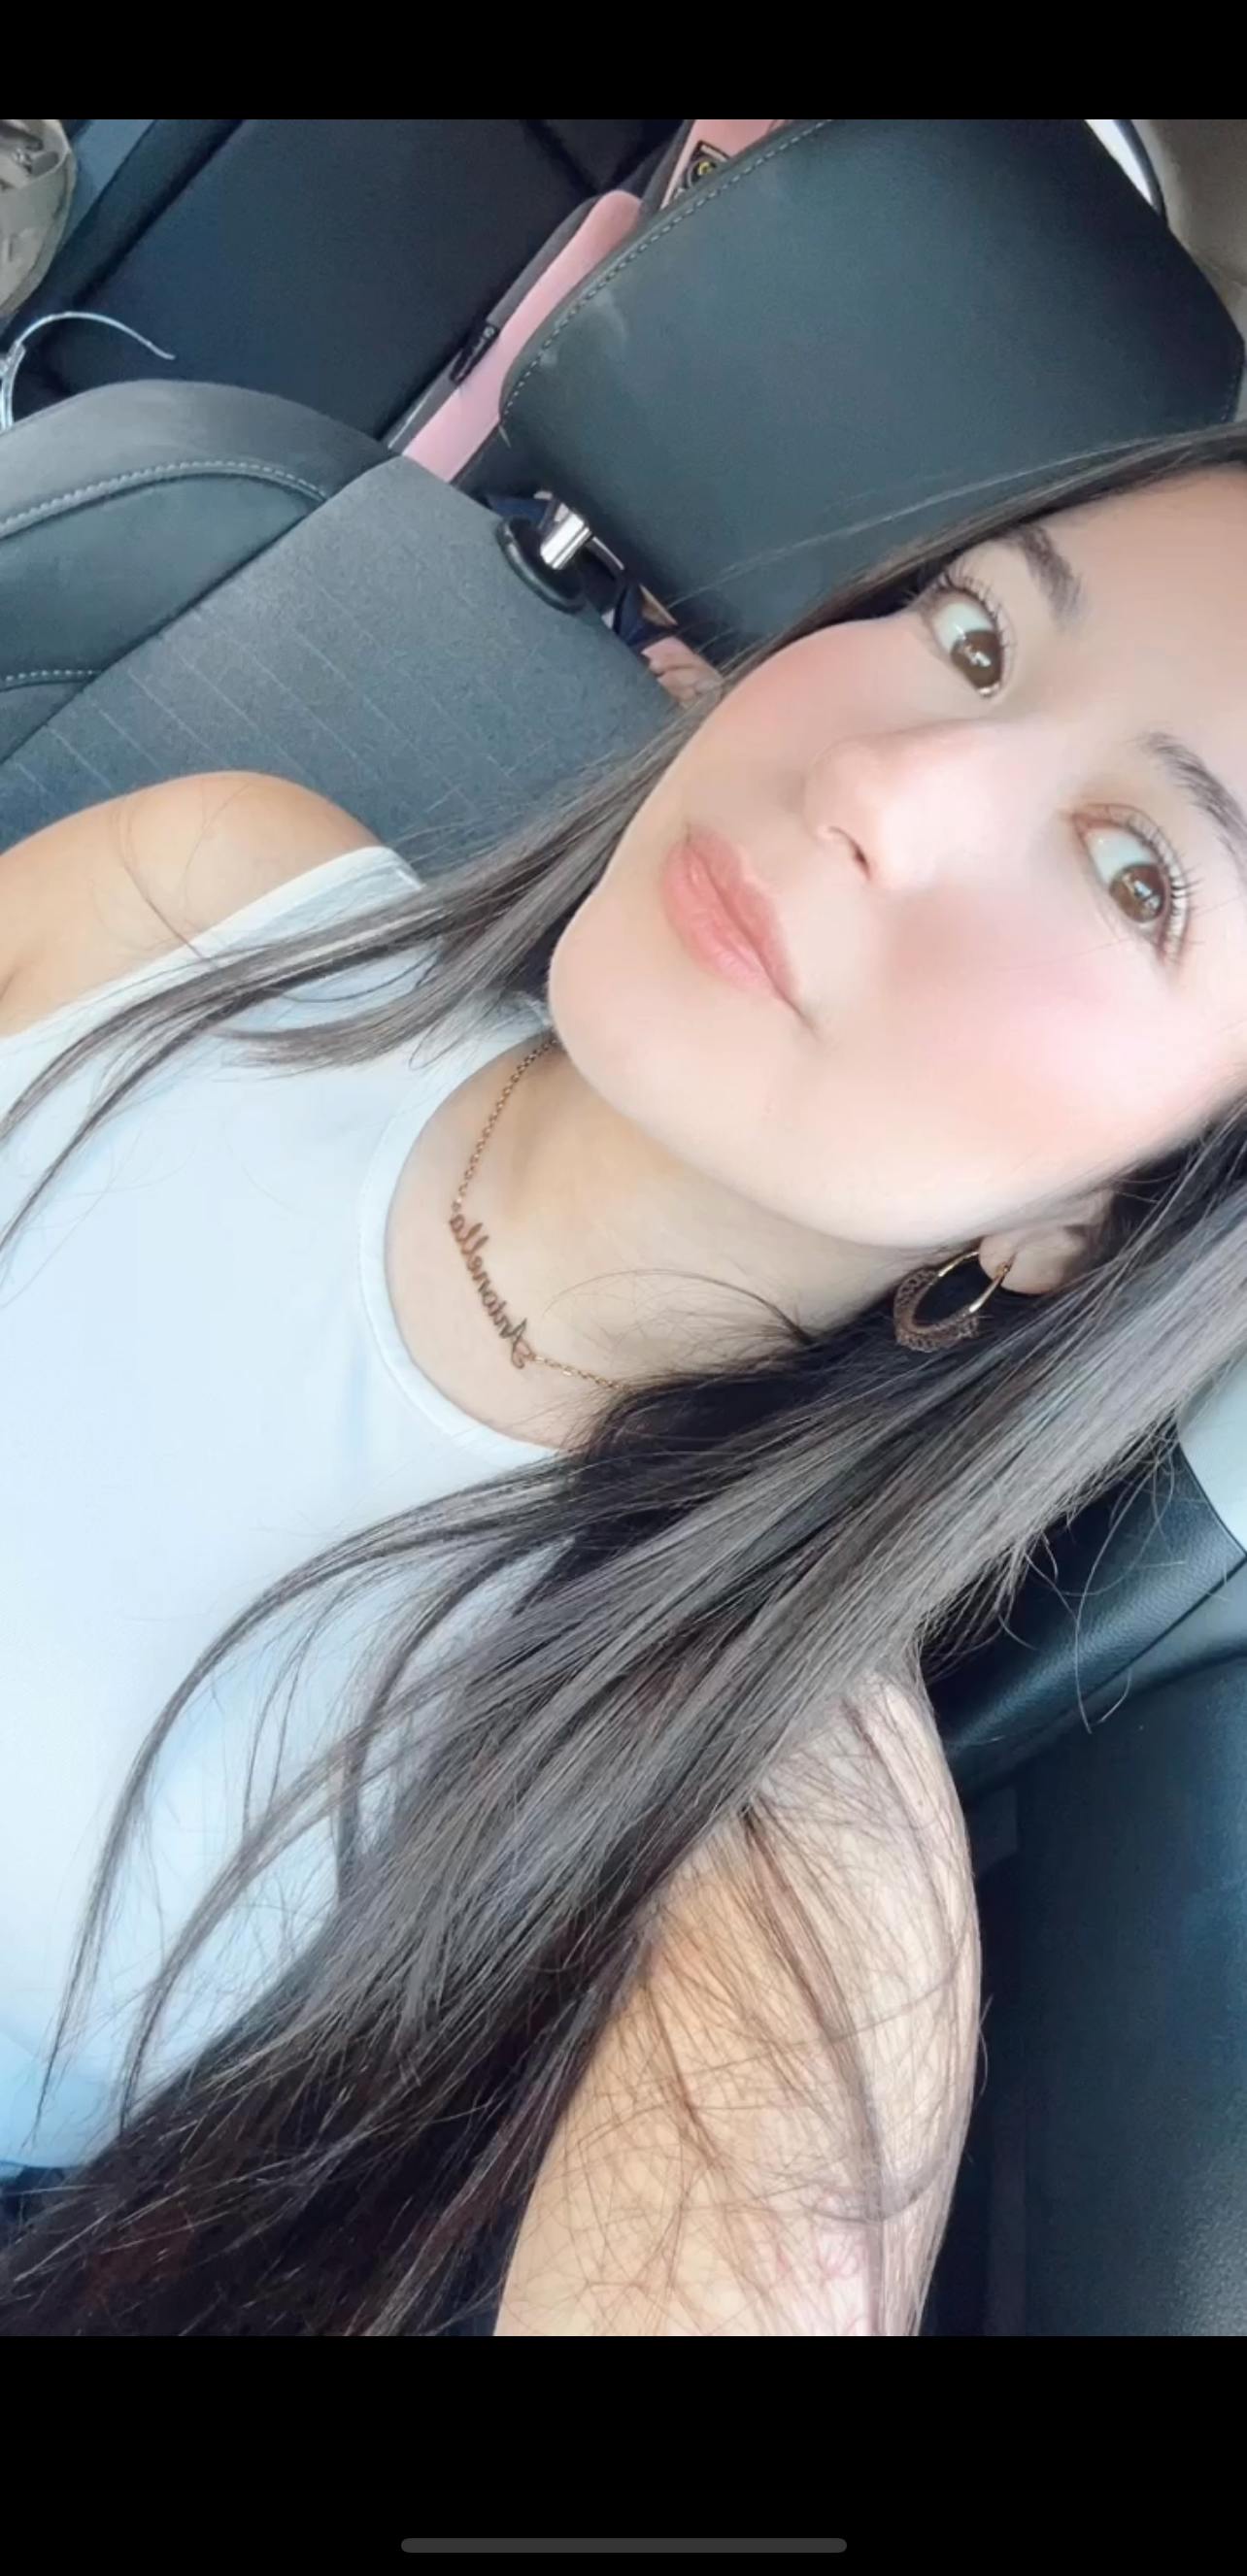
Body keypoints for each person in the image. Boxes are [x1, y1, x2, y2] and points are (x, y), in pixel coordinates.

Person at [3, 427, 1247, 2337]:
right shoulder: (216, 892)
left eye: (1135, 874)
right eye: (977, 636)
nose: (884, 784)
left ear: (1094, 1221)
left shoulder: (760, 1812)